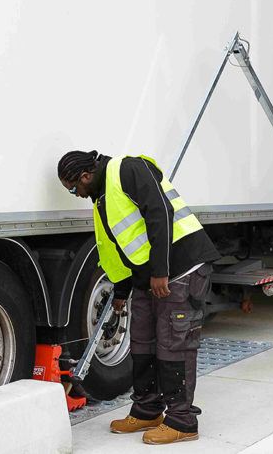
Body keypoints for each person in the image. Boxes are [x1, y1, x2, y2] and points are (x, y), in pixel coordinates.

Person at [58, 150, 219, 445]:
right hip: (150, 277)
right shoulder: (102, 197)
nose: (74, 194)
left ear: (84, 176)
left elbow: (160, 212)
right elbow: (117, 247)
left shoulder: (127, 170)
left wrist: (161, 270)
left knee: (174, 345)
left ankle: (182, 422)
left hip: (181, 266)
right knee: (143, 343)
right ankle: (147, 410)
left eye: (72, 188)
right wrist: (121, 291)